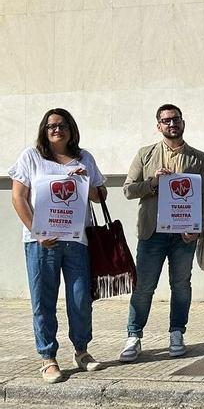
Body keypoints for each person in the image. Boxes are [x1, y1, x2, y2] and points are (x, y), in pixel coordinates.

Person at [9, 108, 107, 383]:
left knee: (80, 299)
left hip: (76, 241)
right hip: (42, 243)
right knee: (44, 300)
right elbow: (18, 197)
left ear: (71, 129)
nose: (57, 129)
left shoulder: (84, 157)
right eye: (51, 125)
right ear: (44, 129)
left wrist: (84, 181)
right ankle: (48, 358)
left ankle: (82, 351)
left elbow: (101, 196)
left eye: (62, 125)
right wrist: (37, 232)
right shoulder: (31, 156)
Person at [119, 104, 204, 362]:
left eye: (176, 119)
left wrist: (198, 228)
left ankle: (177, 333)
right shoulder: (145, 154)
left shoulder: (198, 158)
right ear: (158, 125)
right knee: (144, 286)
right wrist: (152, 183)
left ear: (183, 122)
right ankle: (134, 336)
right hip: (152, 232)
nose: (172, 124)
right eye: (166, 120)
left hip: (184, 235)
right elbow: (128, 190)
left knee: (181, 285)